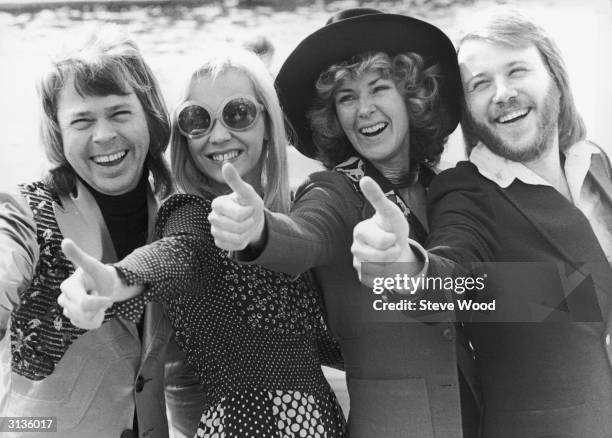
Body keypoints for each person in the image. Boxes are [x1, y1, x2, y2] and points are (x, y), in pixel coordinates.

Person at [209, 8, 480, 438]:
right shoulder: (333, 190)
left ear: (412, 96)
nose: (365, 109)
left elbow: (475, 290)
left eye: (379, 88)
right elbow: (303, 237)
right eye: (347, 97)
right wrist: (257, 231)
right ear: (333, 116)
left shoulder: (445, 187)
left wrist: (561, 294)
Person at [57, 46, 347, 438]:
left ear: (267, 119)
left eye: (238, 113)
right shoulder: (191, 214)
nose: (219, 135)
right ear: (182, 135)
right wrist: (116, 280)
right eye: (197, 120)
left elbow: (326, 347)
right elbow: (176, 255)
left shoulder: (294, 211)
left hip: (321, 421)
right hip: (245, 426)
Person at [352, 10, 612, 437]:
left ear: (555, 78)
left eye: (517, 71)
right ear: (467, 109)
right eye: (480, 83)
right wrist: (403, 268)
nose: (502, 93)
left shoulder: (595, 161)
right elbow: (450, 284)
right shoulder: (466, 192)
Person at [0, 30, 204, 438]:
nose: (104, 135)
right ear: (59, 133)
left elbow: (182, 367)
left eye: (119, 113)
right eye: (82, 120)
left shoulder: (175, 213)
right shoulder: (26, 212)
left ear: (150, 116)